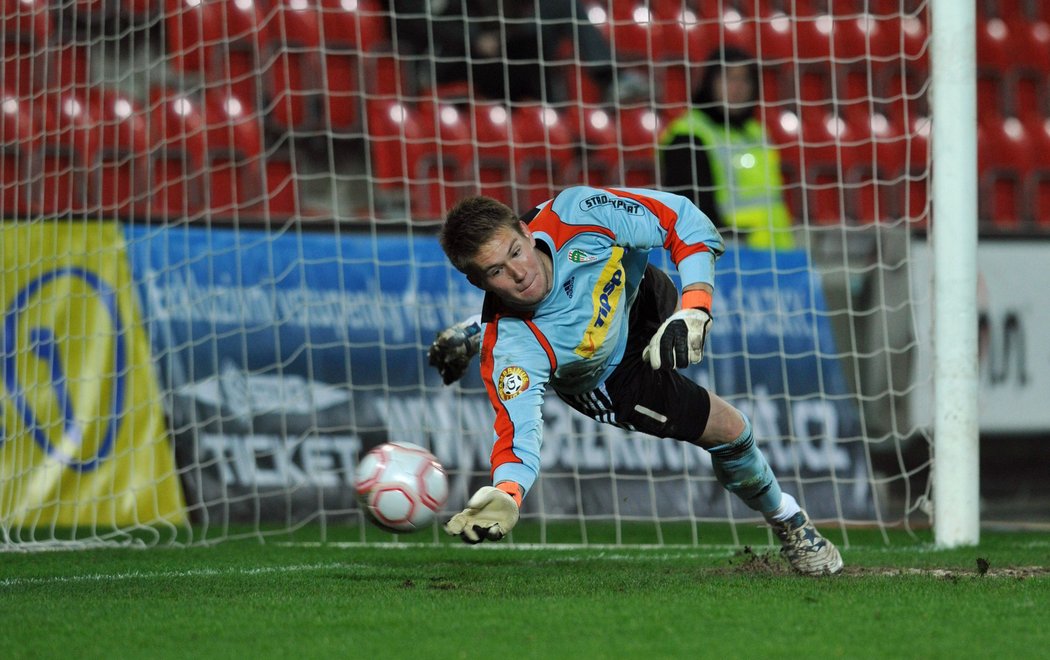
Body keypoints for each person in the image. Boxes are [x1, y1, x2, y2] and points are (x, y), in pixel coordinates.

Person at [427, 185, 843, 576]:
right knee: (731, 430)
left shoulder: (579, 213)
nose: (519, 273)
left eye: (517, 252)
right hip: (610, 377)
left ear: (525, 229)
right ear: (478, 282)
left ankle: (473, 327)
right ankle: (788, 519)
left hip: (639, 292)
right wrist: (507, 494)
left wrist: (695, 306)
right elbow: (519, 435)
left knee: (652, 255)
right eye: (497, 271)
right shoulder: (513, 353)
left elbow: (683, 219)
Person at [660, 47, 796, 251]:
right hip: (730, 260)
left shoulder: (757, 132)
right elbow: (692, 214)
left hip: (777, 255)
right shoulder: (689, 135)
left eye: (745, 80)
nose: (737, 88)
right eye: (728, 78)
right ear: (709, 82)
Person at [388, 0, 647, 105]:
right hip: (444, 56)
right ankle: (551, 108)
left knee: (560, 8)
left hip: (492, 45)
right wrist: (474, 39)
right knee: (535, 40)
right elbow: (413, 24)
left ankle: (610, 78)